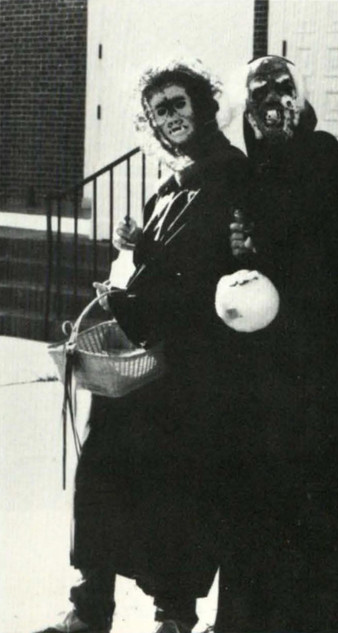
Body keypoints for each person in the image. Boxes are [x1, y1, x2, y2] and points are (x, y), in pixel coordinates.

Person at [35, 60, 250, 633]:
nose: (169, 118)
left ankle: (173, 617)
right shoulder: (172, 185)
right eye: (159, 112)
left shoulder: (230, 174)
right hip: (141, 361)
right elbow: (156, 261)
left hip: (192, 367)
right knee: (102, 475)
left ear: (203, 105)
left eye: (178, 103)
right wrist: (133, 247)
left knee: (177, 495)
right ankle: (91, 608)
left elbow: (209, 267)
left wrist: (146, 266)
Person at [213, 55, 338, 633]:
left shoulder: (326, 156)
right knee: (260, 500)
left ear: (301, 99)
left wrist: (275, 244)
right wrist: (240, 248)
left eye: (283, 88)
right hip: (265, 366)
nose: (272, 101)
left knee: (317, 499)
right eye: (259, 93)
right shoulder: (247, 170)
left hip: (322, 361)